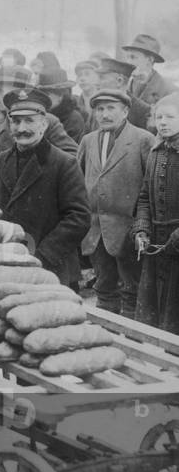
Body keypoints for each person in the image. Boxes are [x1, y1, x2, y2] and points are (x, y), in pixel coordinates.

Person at [0, 89, 91, 288]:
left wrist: (42, 255)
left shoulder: (64, 163)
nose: (22, 128)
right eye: (16, 121)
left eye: (29, 121)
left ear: (44, 124)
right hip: (7, 264)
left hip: (51, 268)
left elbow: (78, 218)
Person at [78, 90, 154, 318]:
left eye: (111, 108)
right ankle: (105, 335)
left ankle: (133, 338)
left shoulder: (143, 139)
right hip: (96, 229)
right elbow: (78, 179)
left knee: (132, 288)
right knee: (104, 286)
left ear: (125, 111)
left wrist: (142, 225)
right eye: (100, 109)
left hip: (129, 229)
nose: (105, 114)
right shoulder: (88, 140)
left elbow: (151, 185)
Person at [134, 92, 179, 334]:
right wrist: (142, 229)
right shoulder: (155, 152)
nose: (163, 122)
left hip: (176, 242)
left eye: (170, 116)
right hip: (156, 244)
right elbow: (144, 197)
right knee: (154, 310)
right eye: (159, 116)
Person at [94, 56, 152, 131]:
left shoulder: (141, 111)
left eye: (101, 78)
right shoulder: (97, 105)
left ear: (119, 81)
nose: (96, 83)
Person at [123, 33, 175, 107]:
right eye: (127, 57)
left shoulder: (168, 90)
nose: (128, 62)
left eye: (133, 57)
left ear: (150, 60)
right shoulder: (125, 86)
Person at [37, 66, 86, 144]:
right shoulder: (38, 114)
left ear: (60, 95)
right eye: (41, 94)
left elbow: (70, 152)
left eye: (47, 94)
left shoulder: (73, 119)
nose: (42, 99)